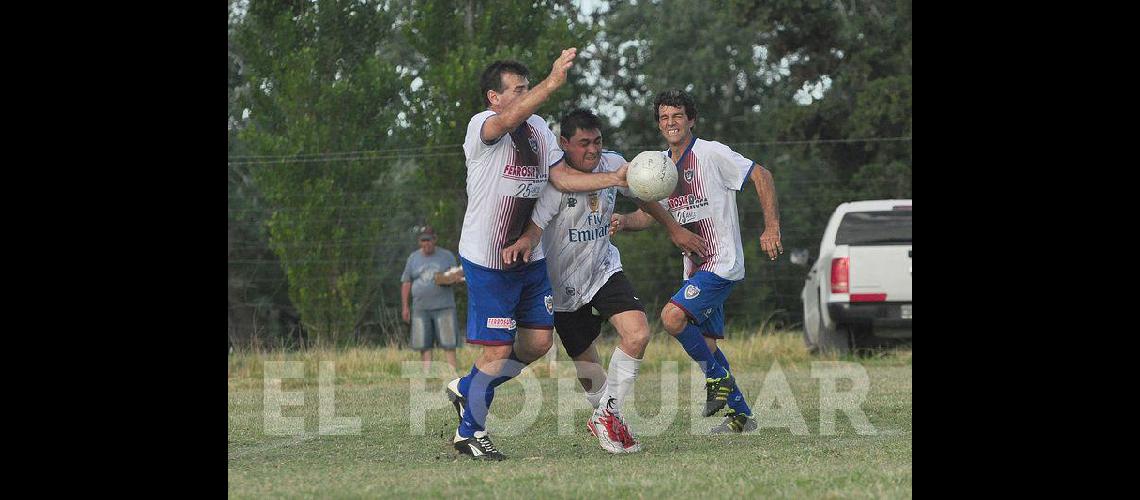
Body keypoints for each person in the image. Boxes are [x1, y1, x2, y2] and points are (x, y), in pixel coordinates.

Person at [446, 50, 630, 461]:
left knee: (537, 343)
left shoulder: (539, 132)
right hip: (489, 259)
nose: (527, 96)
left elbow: (561, 178)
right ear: (494, 97)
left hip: (529, 259)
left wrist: (615, 177)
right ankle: (469, 433)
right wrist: (551, 84)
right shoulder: (484, 126)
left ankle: (468, 388)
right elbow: (508, 121)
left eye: (529, 88)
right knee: (496, 351)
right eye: (519, 89)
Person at [500, 109, 707, 454]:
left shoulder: (615, 164)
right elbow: (528, 226)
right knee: (590, 374)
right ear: (564, 144)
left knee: (638, 333)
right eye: (584, 144)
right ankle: (606, 416)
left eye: (597, 142)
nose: (593, 150)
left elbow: (644, 197)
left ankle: (605, 418)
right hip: (561, 286)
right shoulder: (553, 180)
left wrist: (675, 229)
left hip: (603, 269)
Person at [610, 89, 783, 434]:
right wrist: (626, 221)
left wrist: (772, 227)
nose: (670, 123)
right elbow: (659, 214)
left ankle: (717, 382)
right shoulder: (658, 167)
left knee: (671, 318)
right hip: (694, 267)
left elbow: (761, 175)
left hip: (721, 262)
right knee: (705, 344)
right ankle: (742, 416)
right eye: (664, 117)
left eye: (677, 116)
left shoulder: (711, 153)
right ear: (658, 124)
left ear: (691, 119)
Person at [400, 226, 460, 372]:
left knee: (449, 342)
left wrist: (450, 278)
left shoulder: (446, 255)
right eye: (423, 240)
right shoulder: (413, 258)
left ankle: (452, 374)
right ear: (419, 242)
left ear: (435, 239)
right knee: (423, 344)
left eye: (429, 240)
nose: (426, 243)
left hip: (444, 306)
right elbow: (406, 282)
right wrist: (405, 307)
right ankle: (427, 375)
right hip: (421, 308)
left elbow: (456, 274)